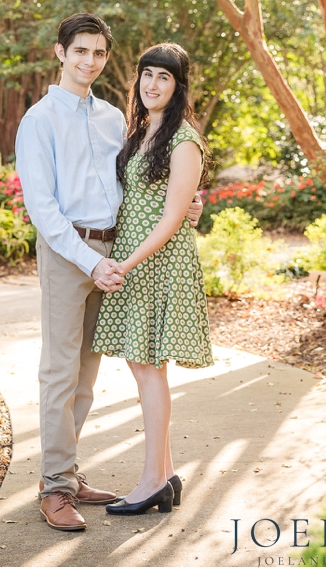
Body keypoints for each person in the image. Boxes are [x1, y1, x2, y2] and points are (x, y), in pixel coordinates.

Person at [14, 15, 203, 532]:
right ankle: (54, 488)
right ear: (60, 53)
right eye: (80, 51)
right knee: (58, 371)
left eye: (98, 53)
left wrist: (190, 203)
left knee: (87, 374)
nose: (89, 61)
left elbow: (144, 182)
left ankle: (68, 475)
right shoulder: (39, 120)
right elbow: (42, 207)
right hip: (69, 253)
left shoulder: (113, 117)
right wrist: (89, 259)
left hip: (113, 257)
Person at [91, 42, 212, 516]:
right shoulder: (140, 132)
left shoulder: (183, 139)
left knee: (148, 369)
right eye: (147, 75)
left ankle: (151, 480)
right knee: (144, 367)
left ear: (178, 87)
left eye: (164, 77)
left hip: (157, 264)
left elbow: (170, 218)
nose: (152, 84)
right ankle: (163, 475)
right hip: (136, 261)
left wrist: (127, 262)